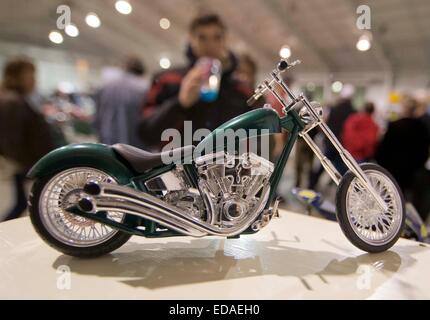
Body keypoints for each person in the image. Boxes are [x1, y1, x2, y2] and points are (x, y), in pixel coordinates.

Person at [139, 14, 253, 150]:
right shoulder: (168, 80)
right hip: (175, 167)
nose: (210, 45)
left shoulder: (242, 91)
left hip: (226, 169)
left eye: (217, 37)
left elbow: (256, 139)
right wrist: (179, 104)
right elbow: (146, 134)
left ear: (225, 40)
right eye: (202, 37)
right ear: (191, 39)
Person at [0, 57, 56, 221]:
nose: (33, 80)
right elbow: (12, 140)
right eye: (30, 75)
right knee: (25, 204)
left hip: (27, 164)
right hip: (26, 165)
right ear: (17, 77)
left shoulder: (17, 99)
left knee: (21, 204)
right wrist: (30, 167)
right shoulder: (13, 102)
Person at [376, 96, 430, 220]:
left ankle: (389, 225)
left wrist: (383, 165)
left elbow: (383, 149)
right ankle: (407, 227)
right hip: (412, 172)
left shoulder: (394, 125)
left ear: (403, 108)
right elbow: (424, 151)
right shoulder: (421, 127)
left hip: (393, 170)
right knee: (409, 204)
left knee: (391, 200)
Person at [95, 56, 148, 148]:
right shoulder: (144, 88)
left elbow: (98, 117)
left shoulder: (107, 86)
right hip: (137, 146)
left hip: (108, 142)